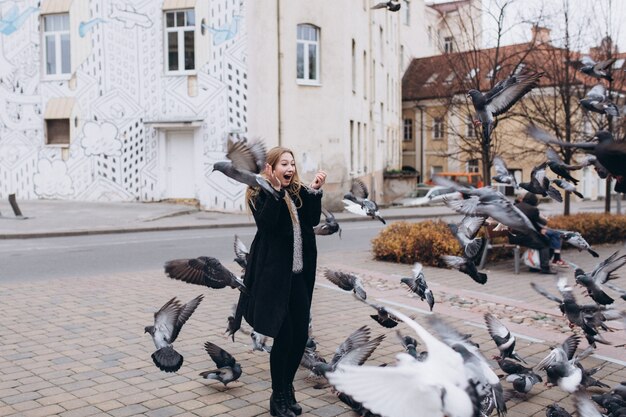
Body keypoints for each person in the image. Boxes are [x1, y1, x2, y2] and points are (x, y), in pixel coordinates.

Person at [234, 146, 326, 417]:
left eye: (292, 164)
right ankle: (279, 397)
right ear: (271, 169)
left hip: (299, 275)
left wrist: (316, 190)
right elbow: (268, 226)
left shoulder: (297, 193)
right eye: (283, 164)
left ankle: (288, 389)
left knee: (300, 337)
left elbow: (312, 220)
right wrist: (274, 192)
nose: (289, 169)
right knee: (285, 337)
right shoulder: (260, 194)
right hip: (275, 278)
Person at [512, 192, 562, 274]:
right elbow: (540, 223)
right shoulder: (532, 209)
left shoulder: (516, 207)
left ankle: (534, 267)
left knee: (544, 239)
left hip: (514, 236)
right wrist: (543, 222)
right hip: (524, 236)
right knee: (545, 243)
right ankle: (545, 268)